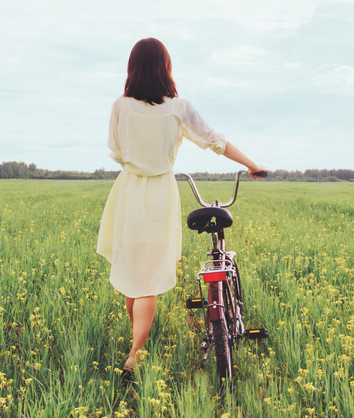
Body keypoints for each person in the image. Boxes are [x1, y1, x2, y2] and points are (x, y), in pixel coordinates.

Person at [96, 38, 266, 375]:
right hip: (160, 192)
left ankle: (136, 343)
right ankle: (136, 351)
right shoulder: (177, 106)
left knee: (134, 273)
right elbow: (214, 140)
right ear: (166, 67)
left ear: (133, 68)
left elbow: (115, 151)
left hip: (129, 191)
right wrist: (251, 164)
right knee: (148, 278)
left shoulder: (121, 105)